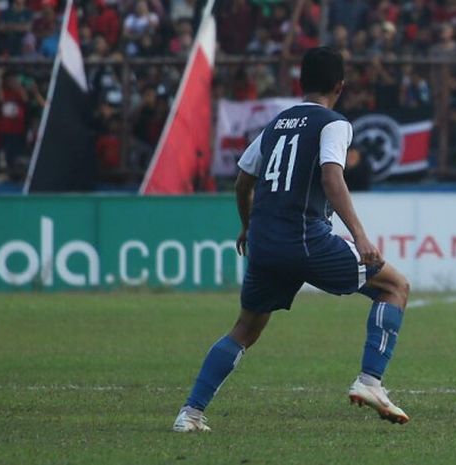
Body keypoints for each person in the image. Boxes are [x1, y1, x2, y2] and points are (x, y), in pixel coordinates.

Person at [173, 47, 411, 432]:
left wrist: (248, 226)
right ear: (340, 85)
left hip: (265, 241)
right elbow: (333, 179)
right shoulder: (334, 124)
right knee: (395, 287)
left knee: (246, 327)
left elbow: (243, 179)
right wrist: (361, 237)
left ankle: (190, 413)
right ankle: (370, 382)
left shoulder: (276, 124)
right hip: (305, 237)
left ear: (301, 82)